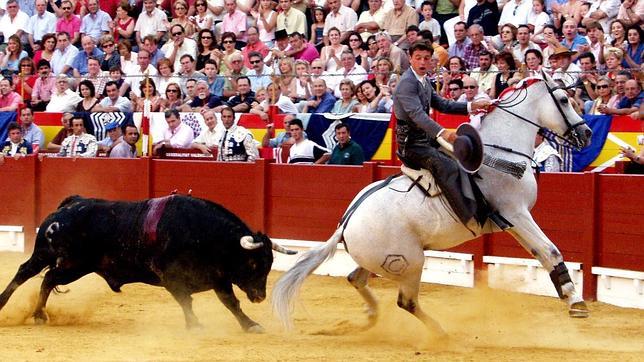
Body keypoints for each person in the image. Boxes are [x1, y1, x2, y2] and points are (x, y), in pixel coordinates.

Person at [393, 40, 490, 225]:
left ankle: (480, 204)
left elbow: (443, 104)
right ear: (410, 59)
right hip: (411, 145)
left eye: (426, 58)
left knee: (462, 157)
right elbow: (417, 115)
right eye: (418, 58)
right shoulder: (407, 84)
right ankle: (467, 216)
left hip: (425, 140)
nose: (422, 62)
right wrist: (443, 133)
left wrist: (471, 105)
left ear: (431, 61)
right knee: (448, 167)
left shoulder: (423, 80)